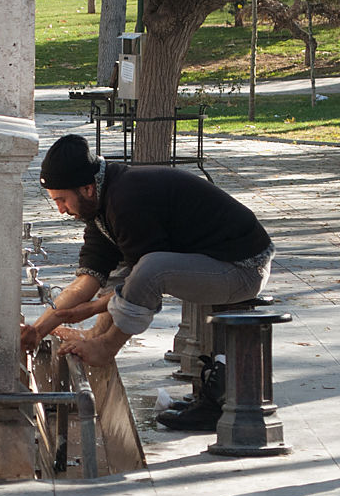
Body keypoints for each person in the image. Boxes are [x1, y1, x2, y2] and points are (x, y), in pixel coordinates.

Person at [20, 134, 274, 430]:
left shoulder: (127, 199)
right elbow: (87, 283)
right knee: (121, 274)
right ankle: (97, 337)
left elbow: (144, 282)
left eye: (62, 199)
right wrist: (38, 331)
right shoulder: (102, 205)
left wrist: (90, 311)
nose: (61, 209)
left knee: (150, 269)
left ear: (87, 189)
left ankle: (107, 347)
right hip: (215, 262)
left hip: (243, 268)